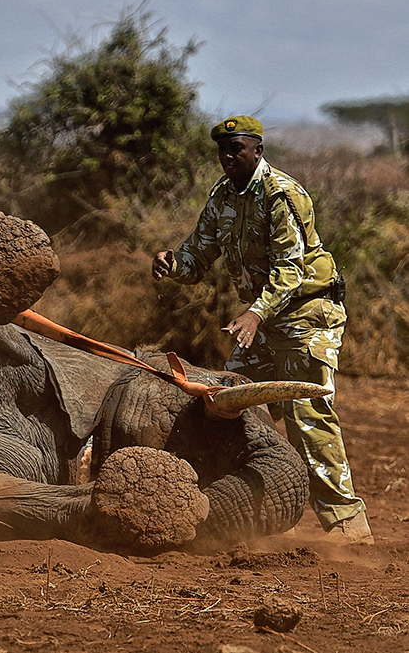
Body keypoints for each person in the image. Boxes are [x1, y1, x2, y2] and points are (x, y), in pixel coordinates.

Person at [152, 115, 372, 544]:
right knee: (228, 402)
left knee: (306, 414)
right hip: (264, 320)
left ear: (258, 151)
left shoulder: (282, 194)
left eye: (237, 148)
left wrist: (253, 315)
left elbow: (291, 271)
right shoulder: (222, 196)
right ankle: (220, 515)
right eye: (223, 149)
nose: (228, 156)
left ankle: (349, 529)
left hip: (306, 316)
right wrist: (173, 263)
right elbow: (197, 255)